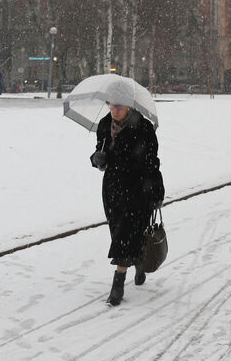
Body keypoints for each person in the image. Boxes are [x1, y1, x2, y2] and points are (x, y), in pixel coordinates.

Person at [90, 100, 164, 306]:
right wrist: (97, 159)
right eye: (111, 106)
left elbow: (152, 161)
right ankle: (139, 261)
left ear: (129, 107)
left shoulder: (144, 127)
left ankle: (118, 284)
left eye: (119, 107)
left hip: (138, 188)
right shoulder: (105, 124)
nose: (115, 111)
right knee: (118, 231)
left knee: (125, 233)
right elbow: (99, 149)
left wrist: (157, 190)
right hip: (112, 188)